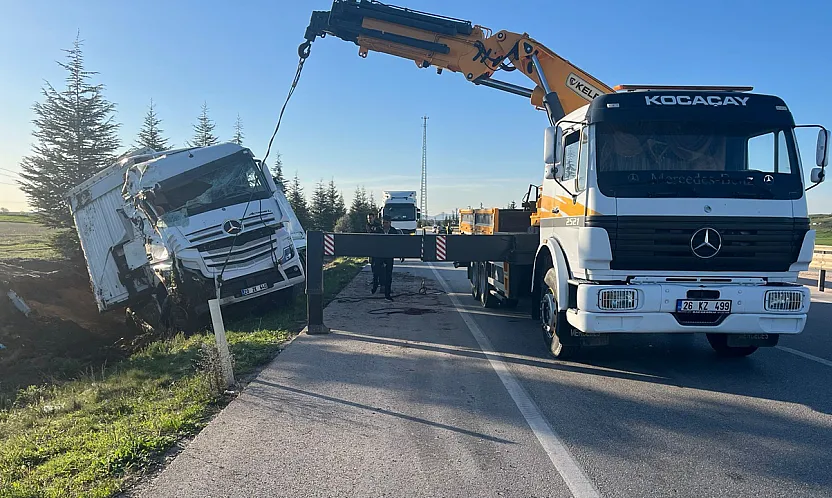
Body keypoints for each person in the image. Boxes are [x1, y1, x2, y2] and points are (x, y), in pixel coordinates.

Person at [379, 215, 402, 300]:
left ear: (390, 223)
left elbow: (398, 244)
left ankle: (388, 289)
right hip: (380, 255)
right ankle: (382, 286)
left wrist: (400, 255)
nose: (385, 224)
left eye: (386, 223)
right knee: (380, 271)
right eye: (383, 222)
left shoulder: (393, 231)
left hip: (389, 255)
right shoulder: (378, 230)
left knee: (388, 273)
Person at [366, 212, 383, 294]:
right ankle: (374, 279)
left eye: (371, 218)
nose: (369, 219)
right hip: (370, 247)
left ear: (374, 218)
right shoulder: (367, 225)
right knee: (372, 264)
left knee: (378, 265)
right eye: (368, 218)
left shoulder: (378, 225)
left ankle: (379, 280)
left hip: (378, 247)